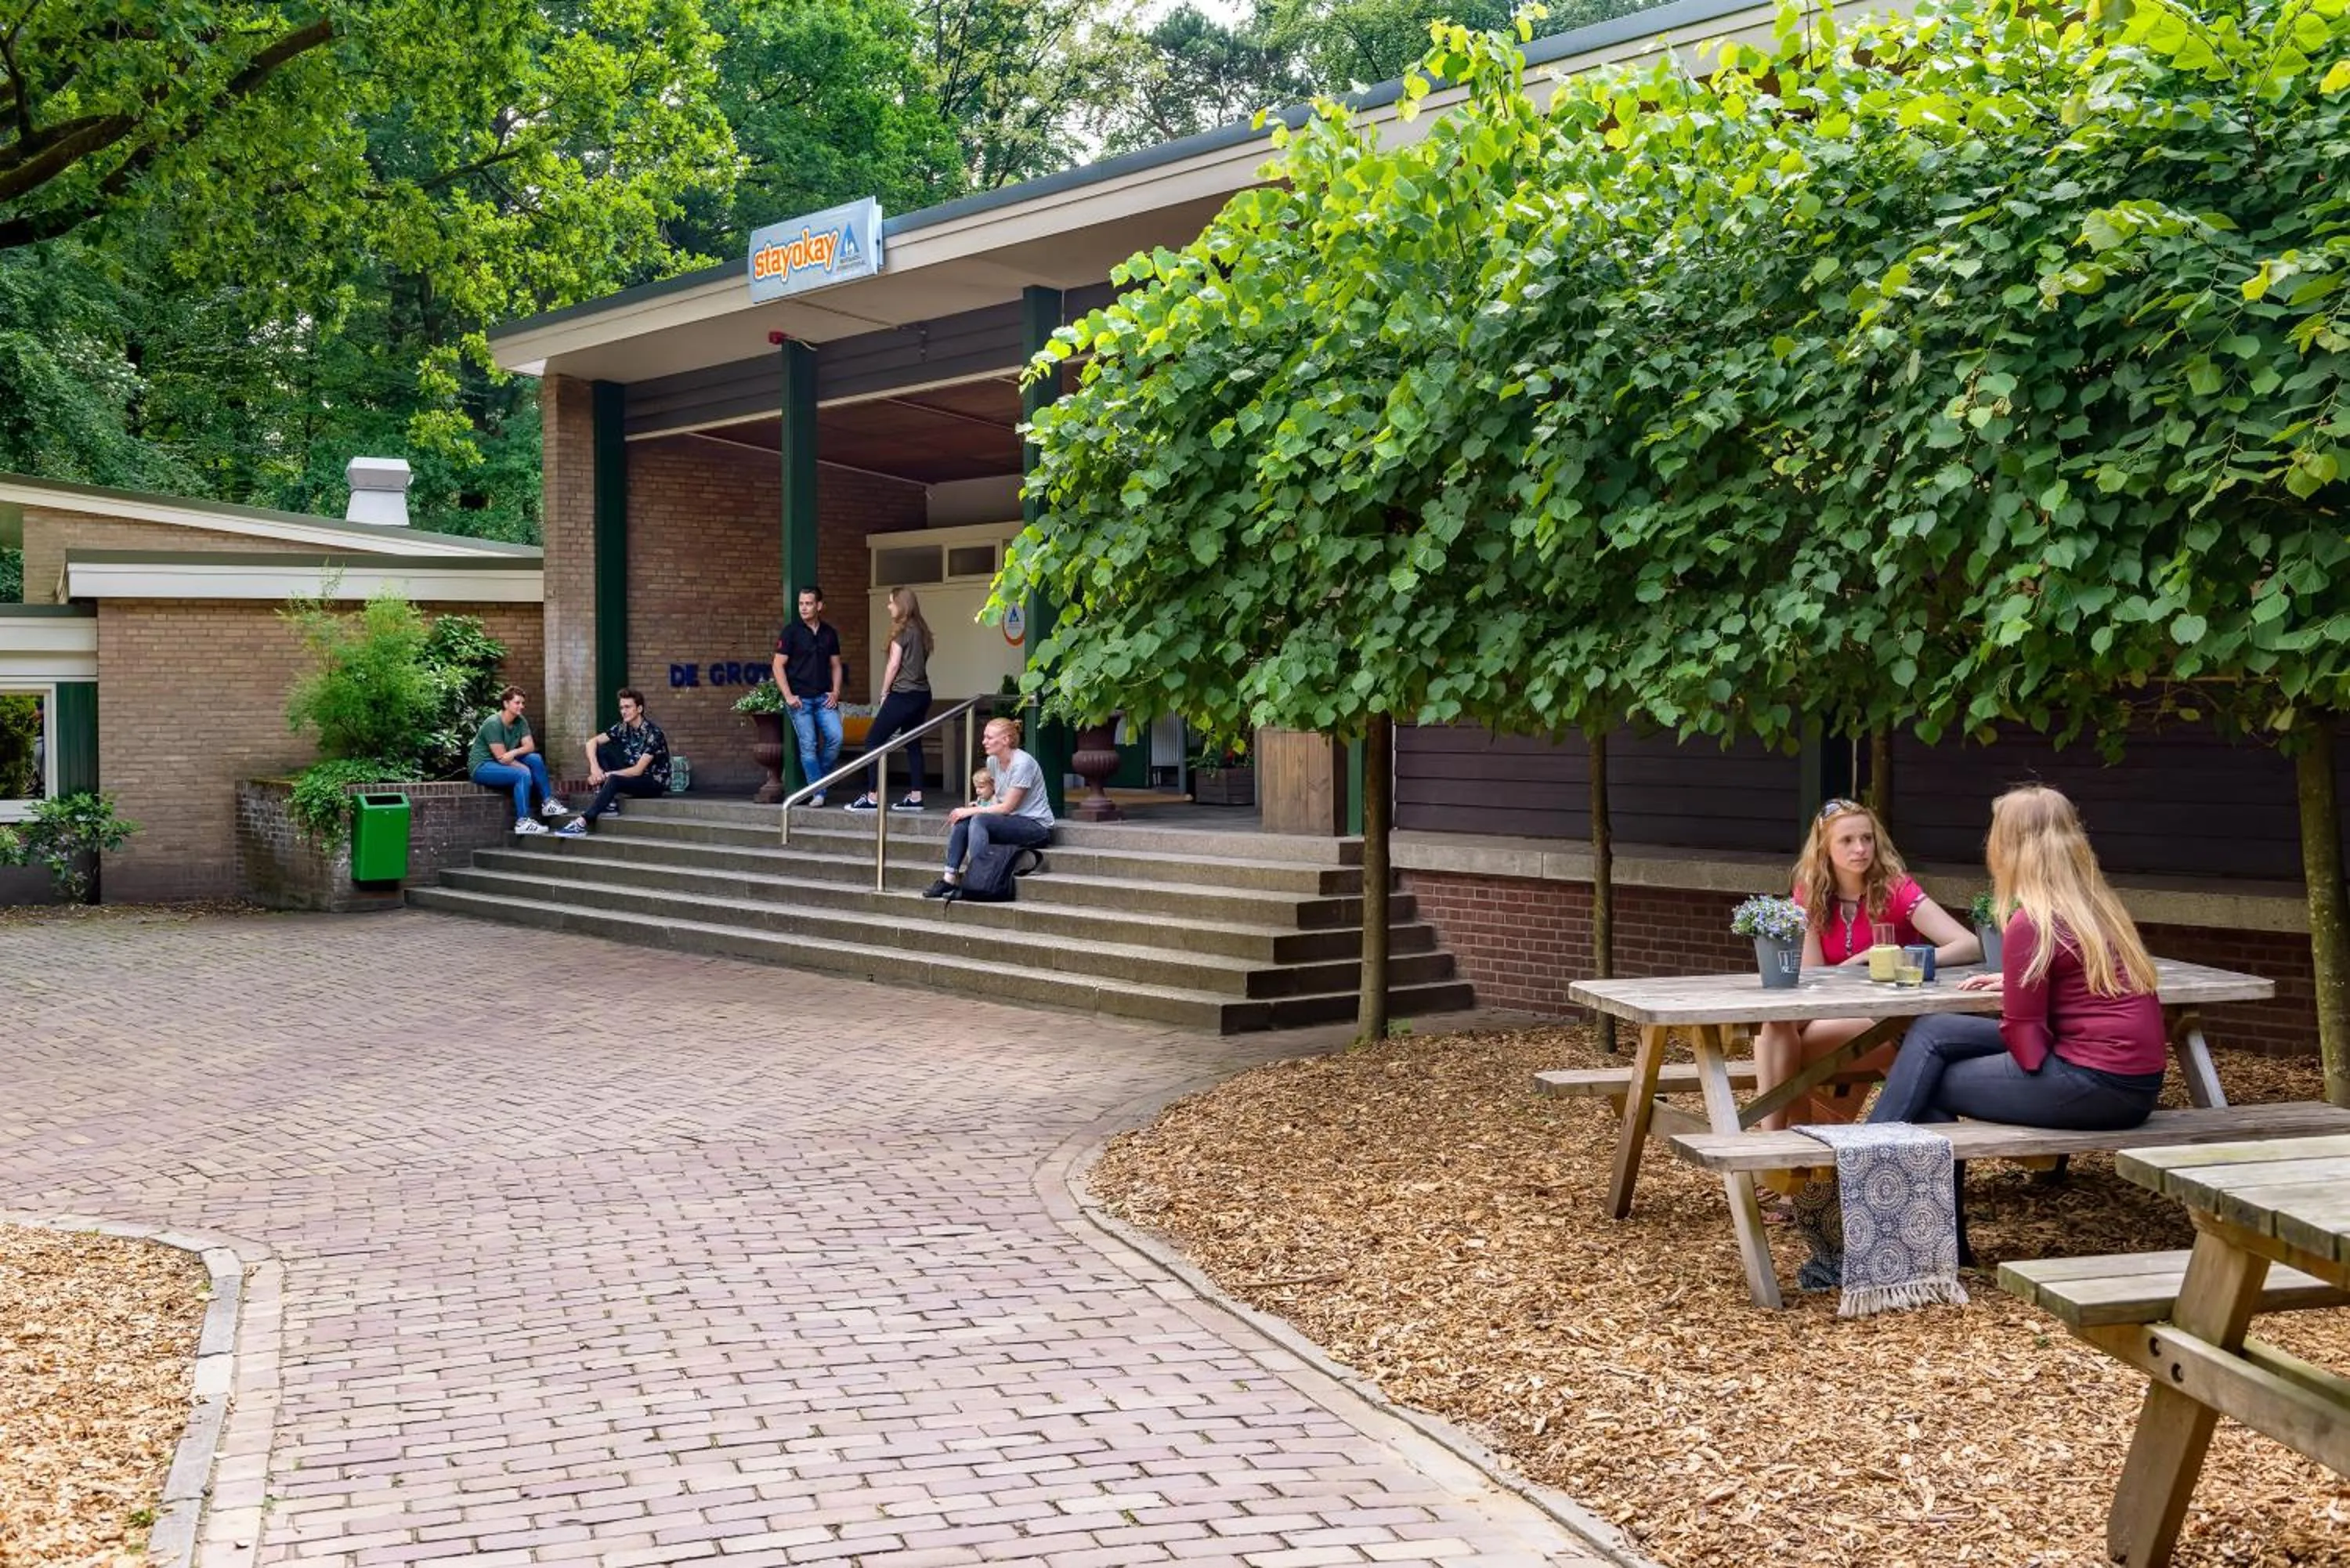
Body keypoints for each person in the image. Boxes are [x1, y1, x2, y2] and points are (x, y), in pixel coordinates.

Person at [1869, 785, 2167, 1133]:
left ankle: (1862, 1162)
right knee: (1932, 1029)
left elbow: (2028, 1044)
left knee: (1928, 1078)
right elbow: (2078, 990)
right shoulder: (2099, 907)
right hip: (2137, 1084)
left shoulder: (2032, 923)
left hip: (2095, 1085)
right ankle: (1872, 1157)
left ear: (2010, 849)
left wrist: (2018, 1002)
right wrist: (2020, 984)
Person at [1753, 798, 1979, 1131]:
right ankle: (1776, 1143)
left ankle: (1779, 1143)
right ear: (1824, 849)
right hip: (1835, 1008)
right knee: (1776, 1028)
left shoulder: (1895, 889)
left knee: (1784, 1051)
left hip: (1891, 1018)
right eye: (1847, 840)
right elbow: (1813, 977)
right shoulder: (1810, 893)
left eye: (1867, 838)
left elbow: (1969, 945)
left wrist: (1894, 958)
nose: (1860, 848)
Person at [924, 716, 1054, 898]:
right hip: (1010, 822)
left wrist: (974, 810)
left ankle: (977, 879)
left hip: (1036, 827)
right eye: (985, 737)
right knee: (966, 819)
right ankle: (949, 879)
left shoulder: (1023, 763)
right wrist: (980, 805)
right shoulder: (993, 761)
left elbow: (1007, 807)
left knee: (978, 818)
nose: (984, 741)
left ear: (1006, 739)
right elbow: (999, 800)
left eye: (989, 737)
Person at [844, 587, 934, 813]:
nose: (888, 606)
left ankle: (872, 797)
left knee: (873, 741)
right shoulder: (922, 630)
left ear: (902, 605)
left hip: (902, 695)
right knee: (913, 742)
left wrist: (884, 693)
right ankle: (916, 797)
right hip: (922, 694)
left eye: (891, 602)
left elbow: (894, 664)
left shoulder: (901, 631)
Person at [560, 687, 669, 836]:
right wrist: (595, 769)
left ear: (639, 709)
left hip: (652, 783)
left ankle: (583, 821)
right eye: (621, 707)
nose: (623, 711)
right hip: (632, 775)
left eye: (628, 707)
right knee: (599, 749)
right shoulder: (623, 727)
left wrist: (605, 776)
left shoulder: (654, 734)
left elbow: (638, 770)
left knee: (614, 779)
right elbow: (591, 742)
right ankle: (609, 804)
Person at [771, 584, 844, 806]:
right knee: (809, 745)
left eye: (809, 603)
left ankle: (818, 782)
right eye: (801, 603)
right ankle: (819, 793)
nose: (803, 608)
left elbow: (836, 666)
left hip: (824, 698)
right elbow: (777, 665)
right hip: (800, 701)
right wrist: (788, 696)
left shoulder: (829, 633)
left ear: (819, 606)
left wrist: (836, 691)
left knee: (836, 738)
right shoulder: (791, 632)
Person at [469, 686, 567, 834]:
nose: (522, 706)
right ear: (506, 704)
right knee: (522, 774)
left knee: (535, 759)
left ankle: (548, 803)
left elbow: (530, 747)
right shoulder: (493, 723)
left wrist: (515, 752)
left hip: (501, 760)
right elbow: (502, 758)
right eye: (517, 703)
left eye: (522, 703)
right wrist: (523, 768)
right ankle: (523, 821)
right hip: (483, 766)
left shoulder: (520, 721)